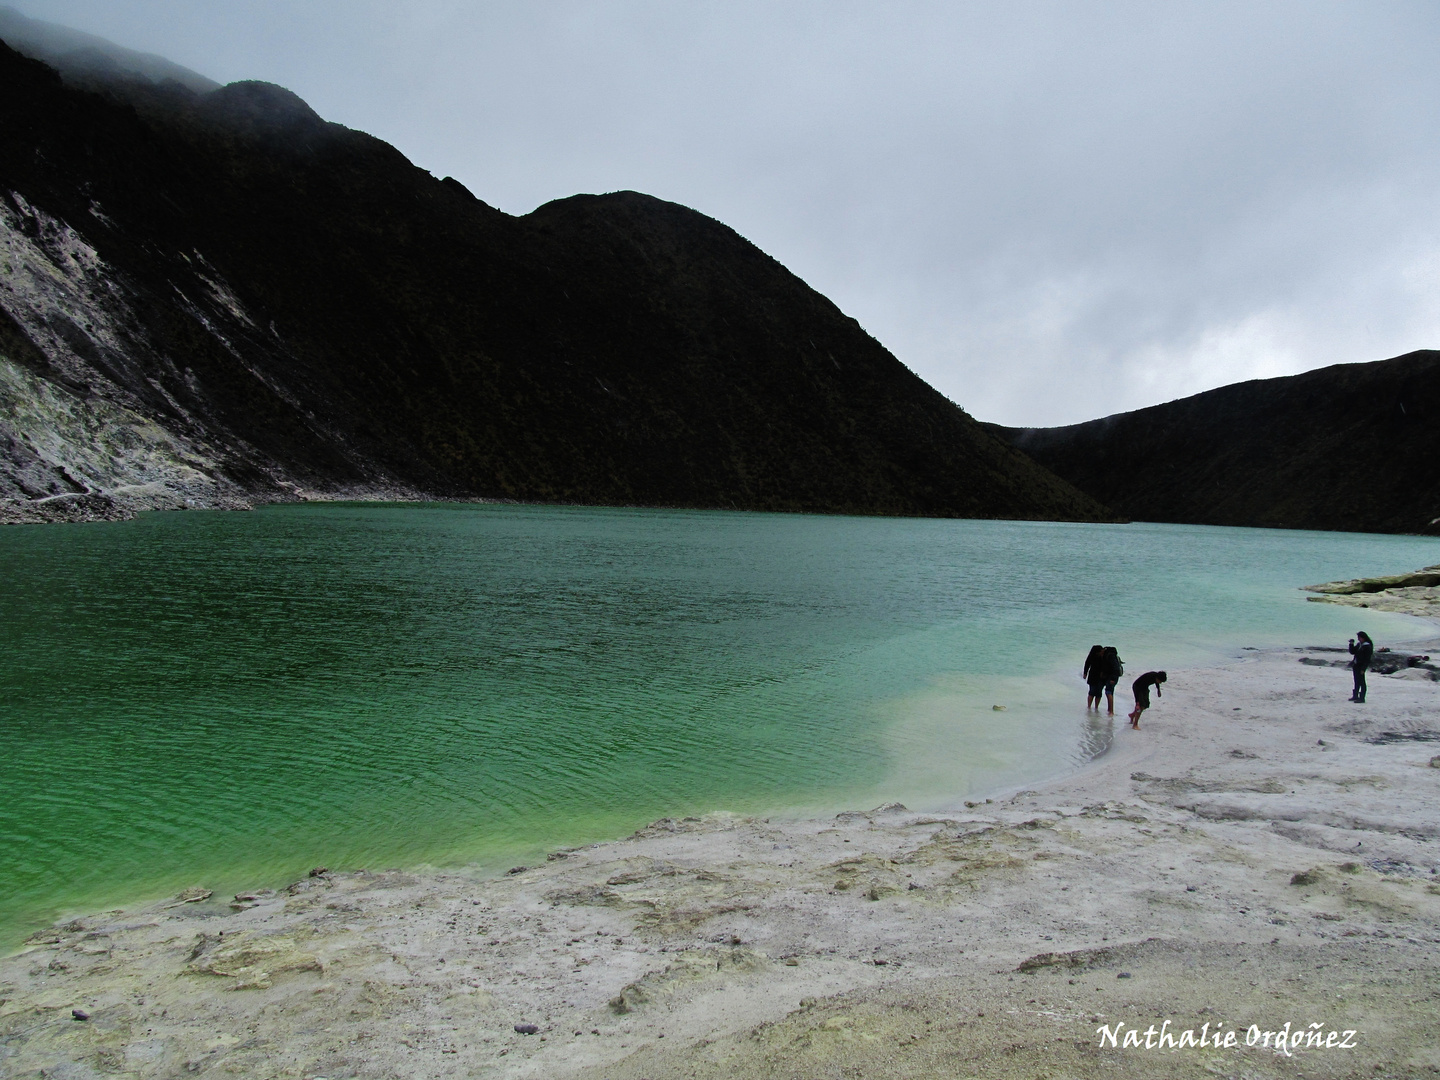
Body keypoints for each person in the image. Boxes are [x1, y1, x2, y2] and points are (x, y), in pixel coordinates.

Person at [1348, 631, 1374, 703]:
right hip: (1356, 664)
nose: (1359, 639)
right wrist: (1351, 644)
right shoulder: (1360, 645)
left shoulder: (1367, 646)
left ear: (1363, 638)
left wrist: (1363, 668)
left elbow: (1367, 659)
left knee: (1362, 682)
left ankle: (1362, 697)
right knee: (1356, 681)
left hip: (1361, 665)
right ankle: (1355, 695)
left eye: (1359, 638)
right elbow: (1352, 652)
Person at [1101, 646, 1124, 715]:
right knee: (1110, 692)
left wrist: (1112, 679)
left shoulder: (1110, 656)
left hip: (1112, 677)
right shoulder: (1114, 656)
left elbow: (1115, 668)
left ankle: (1111, 711)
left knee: (1108, 692)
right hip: (1113, 676)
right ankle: (1110, 709)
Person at [1082, 645, 1105, 710]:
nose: (1102, 651)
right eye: (1101, 650)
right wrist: (1085, 673)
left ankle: (1096, 707)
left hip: (1101, 677)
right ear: (1097, 652)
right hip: (1093, 675)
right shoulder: (1091, 656)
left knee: (1099, 693)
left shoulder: (1103, 657)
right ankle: (1089, 706)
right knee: (1092, 691)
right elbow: (1087, 664)